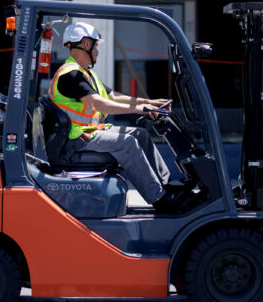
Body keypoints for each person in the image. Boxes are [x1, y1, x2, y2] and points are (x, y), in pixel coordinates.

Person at [48, 22, 193, 212]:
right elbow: (99, 104)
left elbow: (112, 96)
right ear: (85, 44)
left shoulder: (85, 72)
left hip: (88, 133)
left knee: (140, 134)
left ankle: (165, 185)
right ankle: (160, 198)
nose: (98, 51)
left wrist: (147, 102)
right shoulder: (71, 75)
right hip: (77, 140)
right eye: (96, 45)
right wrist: (141, 109)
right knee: (127, 143)